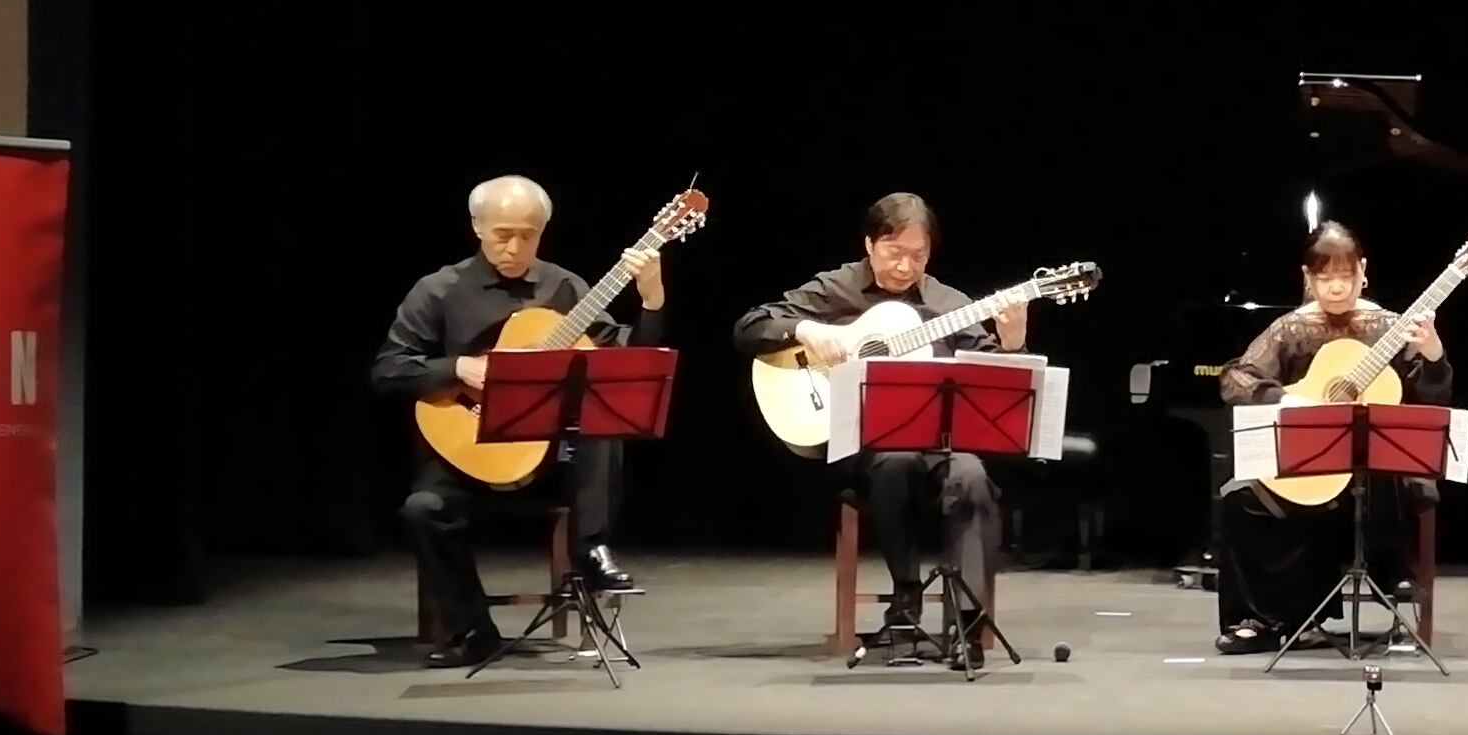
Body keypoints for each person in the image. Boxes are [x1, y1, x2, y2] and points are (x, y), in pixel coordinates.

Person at [375, 175, 668, 666]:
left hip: (550, 457)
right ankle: (473, 631)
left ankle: (593, 553)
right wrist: (457, 368)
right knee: (423, 508)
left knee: (601, 418)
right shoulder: (439, 290)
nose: (514, 246)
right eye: (502, 233)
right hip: (470, 454)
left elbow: (629, 361)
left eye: (527, 235)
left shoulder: (566, 287)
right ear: (476, 227)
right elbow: (388, 369)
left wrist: (652, 300)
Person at [730, 192, 1028, 640]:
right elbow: (750, 326)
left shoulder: (949, 304)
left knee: (972, 475)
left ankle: (969, 620)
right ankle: (905, 601)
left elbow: (1000, 382)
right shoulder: (838, 288)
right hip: (861, 448)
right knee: (896, 461)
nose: (906, 267)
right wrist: (808, 329)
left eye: (918, 255)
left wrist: (1013, 342)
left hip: (939, 445)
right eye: (894, 253)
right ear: (869, 245)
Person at [1209, 222, 1452, 653]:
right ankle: (1260, 619)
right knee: (1239, 498)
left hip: (1376, 473)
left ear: (1363, 271)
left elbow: (1429, 399)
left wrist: (1434, 358)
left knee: (1393, 484)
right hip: (1312, 467)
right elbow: (1236, 379)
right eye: (1325, 278)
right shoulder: (1292, 329)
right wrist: (1287, 399)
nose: (1336, 288)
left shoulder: (1391, 327)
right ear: (1308, 277)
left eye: (1345, 276)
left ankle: (1388, 585)